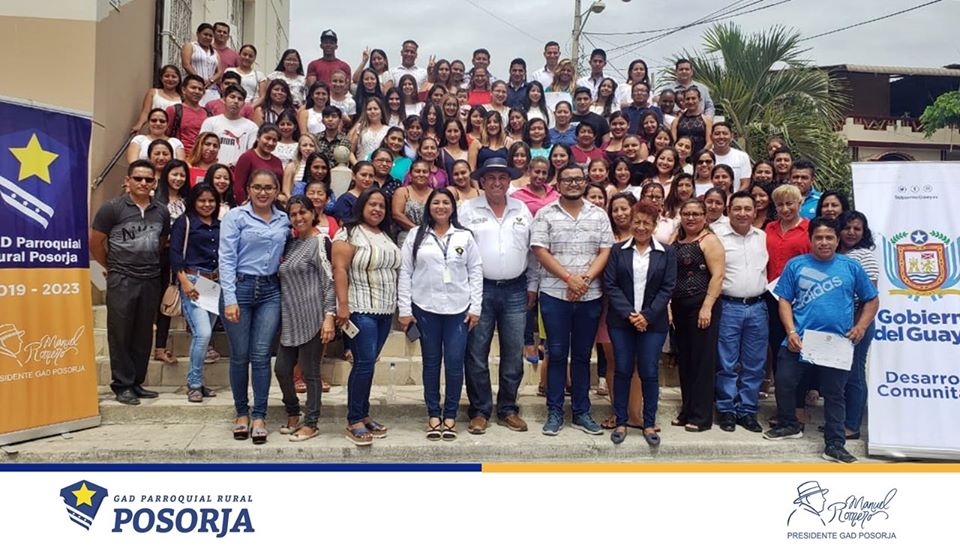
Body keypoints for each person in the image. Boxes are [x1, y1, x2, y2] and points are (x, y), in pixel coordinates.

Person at [764, 217, 879, 464]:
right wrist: (791, 331)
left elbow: (871, 299)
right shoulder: (796, 265)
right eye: (819, 237)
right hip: (800, 339)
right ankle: (790, 424)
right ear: (811, 239)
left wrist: (861, 326)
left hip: (836, 342)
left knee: (834, 393)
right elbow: (784, 300)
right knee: (784, 381)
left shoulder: (851, 267)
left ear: (837, 241)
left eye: (829, 238)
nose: (824, 242)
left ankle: (835, 444)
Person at [532, 164, 613, 436]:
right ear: (558, 183)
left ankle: (581, 412)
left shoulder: (599, 214)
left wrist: (584, 280)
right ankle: (555, 411)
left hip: (590, 295)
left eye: (578, 179)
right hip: (555, 294)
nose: (573, 183)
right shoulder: (545, 214)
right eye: (567, 179)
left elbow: (605, 251)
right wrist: (569, 279)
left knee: (582, 355)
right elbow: (540, 251)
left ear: (585, 182)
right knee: (556, 353)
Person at [398, 188, 483, 441]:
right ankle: (433, 415)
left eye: (446, 202)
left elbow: (476, 271)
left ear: (453, 207)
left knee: (455, 363)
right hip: (425, 308)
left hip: (459, 309)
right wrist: (405, 309)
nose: (441, 206)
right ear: (429, 207)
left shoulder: (464, 236)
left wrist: (476, 308)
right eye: (436, 202)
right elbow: (405, 272)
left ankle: (451, 416)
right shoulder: (416, 235)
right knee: (431, 363)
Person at [459, 159, 533, 434]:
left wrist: (532, 286)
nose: (497, 182)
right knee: (476, 352)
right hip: (480, 289)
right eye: (491, 177)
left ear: (509, 180)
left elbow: (532, 250)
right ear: (482, 181)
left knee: (513, 352)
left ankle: (507, 408)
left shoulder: (522, 209)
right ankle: (480, 410)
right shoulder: (467, 210)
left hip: (515, 289)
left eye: (502, 177)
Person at [219, 169, 289, 444]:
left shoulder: (283, 219)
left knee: (261, 355)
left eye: (269, 188)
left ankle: (259, 415)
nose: (263, 192)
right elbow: (226, 258)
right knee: (239, 355)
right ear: (248, 189)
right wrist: (230, 298)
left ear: (276, 191)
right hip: (240, 288)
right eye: (257, 187)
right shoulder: (236, 217)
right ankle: (241, 413)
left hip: (270, 291)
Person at [90, 160, 169, 405]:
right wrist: (111, 266)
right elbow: (95, 242)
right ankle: (122, 384)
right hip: (122, 278)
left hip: (150, 278)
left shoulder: (161, 211)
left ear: (154, 183)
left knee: (143, 333)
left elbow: (161, 242)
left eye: (148, 179)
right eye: (138, 178)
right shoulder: (112, 208)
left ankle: (136, 382)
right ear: (128, 181)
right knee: (120, 332)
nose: (143, 183)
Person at [332, 188, 402, 446]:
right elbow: (339, 269)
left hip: (385, 310)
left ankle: (363, 414)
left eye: (382, 206)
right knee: (363, 364)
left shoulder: (386, 234)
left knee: (369, 363)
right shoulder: (348, 233)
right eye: (372, 204)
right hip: (361, 308)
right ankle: (354, 420)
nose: (377, 209)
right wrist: (343, 305)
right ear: (361, 205)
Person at [604, 198, 676, 445]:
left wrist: (647, 315)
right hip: (621, 322)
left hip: (653, 323)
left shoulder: (667, 252)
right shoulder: (617, 250)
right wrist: (630, 314)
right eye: (637, 222)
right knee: (623, 369)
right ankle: (621, 420)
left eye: (647, 223)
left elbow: (668, 288)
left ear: (655, 225)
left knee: (649, 371)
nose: (641, 227)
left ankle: (648, 423)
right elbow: (611, 285)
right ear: (631, 222)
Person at [272, 195, 337, 442]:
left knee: (310, 373)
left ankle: (311, 423)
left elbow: (329, 281)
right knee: (282, 369)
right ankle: (293, 412)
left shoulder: (321, 242)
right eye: (293, 214)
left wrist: (329, 316)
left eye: (303, 212)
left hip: (314, 316)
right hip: (290, 318)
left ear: (313, 213)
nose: (298, 218)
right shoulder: (291, 244)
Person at [714, 191, 769, 433]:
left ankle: (747, 410)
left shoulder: (762, 237)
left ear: (755, 212)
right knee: (726, 362)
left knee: (754, 364)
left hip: (757, 307)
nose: (742, 213)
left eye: (748, 209)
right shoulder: (718, 237)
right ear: (729, 211)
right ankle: (726, 409)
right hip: (729, 307)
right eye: (737, 208)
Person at [672, 198, 725, 432]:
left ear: (704, 217)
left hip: (702, 307)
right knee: (685, 361)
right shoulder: (677, 240)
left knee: (702, 362)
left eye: (696, 214)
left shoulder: (709, 240)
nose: (691, 218)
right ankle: (687, 410)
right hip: (680, 307)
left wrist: (707, 306)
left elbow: (718, 276)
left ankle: (702, 416)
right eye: (687, 214)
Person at [170, 184, 221, 402]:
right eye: (202, 200)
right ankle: (193, 383)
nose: (207, 204)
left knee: (204, 336)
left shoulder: (220, 225)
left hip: (214, 284)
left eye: (211, 201)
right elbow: (174, 253)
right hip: (192, 281)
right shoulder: (185, 222)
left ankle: (198, 382)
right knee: (203, 334)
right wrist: (184, 282)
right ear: (194, 201)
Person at [836, 210, 879, 441]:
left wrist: (859, 325)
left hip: (858, 321)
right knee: (840, 374)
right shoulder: (834, 253)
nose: (851, 232)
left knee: (854, 373)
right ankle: (839, 421)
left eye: (857, 228)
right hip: (838, 321)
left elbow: (869, 296)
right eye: (847, 227)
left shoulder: (864, 256)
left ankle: (852, 425)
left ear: (864, 232)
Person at [151, 159, 190, 365]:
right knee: (154, 300)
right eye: (174, 174)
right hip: (156, 255)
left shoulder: (187, 201)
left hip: (179, 256)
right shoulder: (155, 199)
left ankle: (160, 348)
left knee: (168, 299)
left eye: (182, 175)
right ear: (166, 175)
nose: (178, 178)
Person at [199, 85, 258, 166]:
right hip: (211, 169)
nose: (236, 101)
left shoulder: (252, 127)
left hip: (237, 170)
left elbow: (252, 154)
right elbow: (200, 147)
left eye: (240, 99)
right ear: (224, 100)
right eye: (232, 97)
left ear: (244, 104)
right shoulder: (210, 122)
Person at [232, 124, 283, 204]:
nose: (270, 143)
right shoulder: (247, 157)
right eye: (267, 138)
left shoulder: (277, 161)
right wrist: (244, 206)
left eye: (274, 140)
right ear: (258, 137)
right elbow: (238, 187)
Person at [131, 65, 182, 134]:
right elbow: (146, 112)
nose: (170, 79)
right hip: (154, 132)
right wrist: (139, 125)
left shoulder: (182, 98)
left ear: (179, 79)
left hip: (174, 134)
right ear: (161, 78)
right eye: (166, 76)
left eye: (174, 77)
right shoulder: (153, 92)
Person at [165, 74, 210, 153]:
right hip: (180, 155)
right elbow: (165, 134)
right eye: (193, 88)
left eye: (200, 89)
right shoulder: (174, 110)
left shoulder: (208, 113)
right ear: (184, 90)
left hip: (201, 156)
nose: (197, 91)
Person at [393, 159, 432, 245]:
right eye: (417, 171)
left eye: (425, 172)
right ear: (410, 174)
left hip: (431, 236)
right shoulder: (402, 191)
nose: (421, 174)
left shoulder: (435, 194)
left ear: (429, 175)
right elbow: (396, 214)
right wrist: (417, 230)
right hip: (407, 236)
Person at [180, 23, 221, 106]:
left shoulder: (215, 52)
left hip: (211, 89)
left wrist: (211, 80)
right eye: (205, 34)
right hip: (194, 88)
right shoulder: (191, 46)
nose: (208, 37)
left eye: (210, 36)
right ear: (198, 34)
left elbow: (219, 71)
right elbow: (186, 64)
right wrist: (199, 81)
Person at [711, 122, 751, 190]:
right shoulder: (704, 157)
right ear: (711, 136)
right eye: (717, 134)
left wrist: (734, 196)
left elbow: (745, 183)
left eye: (725, 133)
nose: (721, 137)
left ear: (731, 136)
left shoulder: (742, 156)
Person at [672, 87, 712, 155]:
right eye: (687, 99)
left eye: (693, 98)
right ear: (684, 101)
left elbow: (709, 143)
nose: (690, 101)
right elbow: (674, 143)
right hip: (681, 156)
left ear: (699, 99)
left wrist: (699, 157)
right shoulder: (676, 121)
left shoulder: (707, 120)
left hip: (700, 157)